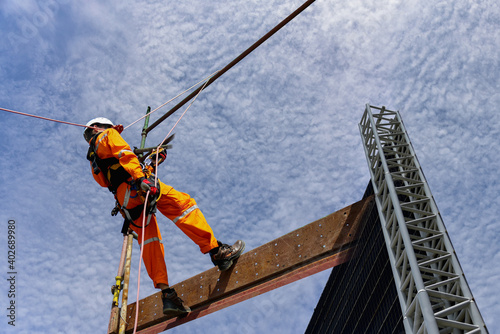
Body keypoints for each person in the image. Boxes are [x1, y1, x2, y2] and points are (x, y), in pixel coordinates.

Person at [83, 117, 245, 318]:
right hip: (136, 188)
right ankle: (217, 251)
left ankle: (167, 293)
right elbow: (125, 155)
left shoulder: (94, 160)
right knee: (183, 206)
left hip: (126, 202)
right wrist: (143, 178)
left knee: (150, 242)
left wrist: (152, 163)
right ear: (98, 128)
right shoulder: (107, 135)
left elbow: (118, 176)